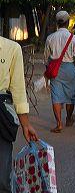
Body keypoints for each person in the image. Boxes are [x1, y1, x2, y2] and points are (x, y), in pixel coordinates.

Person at [0, 36, 39, 192]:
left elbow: (18, 89)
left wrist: (25, 124)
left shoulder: (11, 48)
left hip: (1, 117)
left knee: (2, 177)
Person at [44, 11, 75, 133]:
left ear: (57, 23)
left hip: (55, 69)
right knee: (70, 96)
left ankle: (59, 124)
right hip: (69, 68)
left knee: (56, 97)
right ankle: (69, 118)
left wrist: (49, 69)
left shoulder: (50, 38)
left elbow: (46, 59)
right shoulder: (74, 38)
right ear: (68, 22)